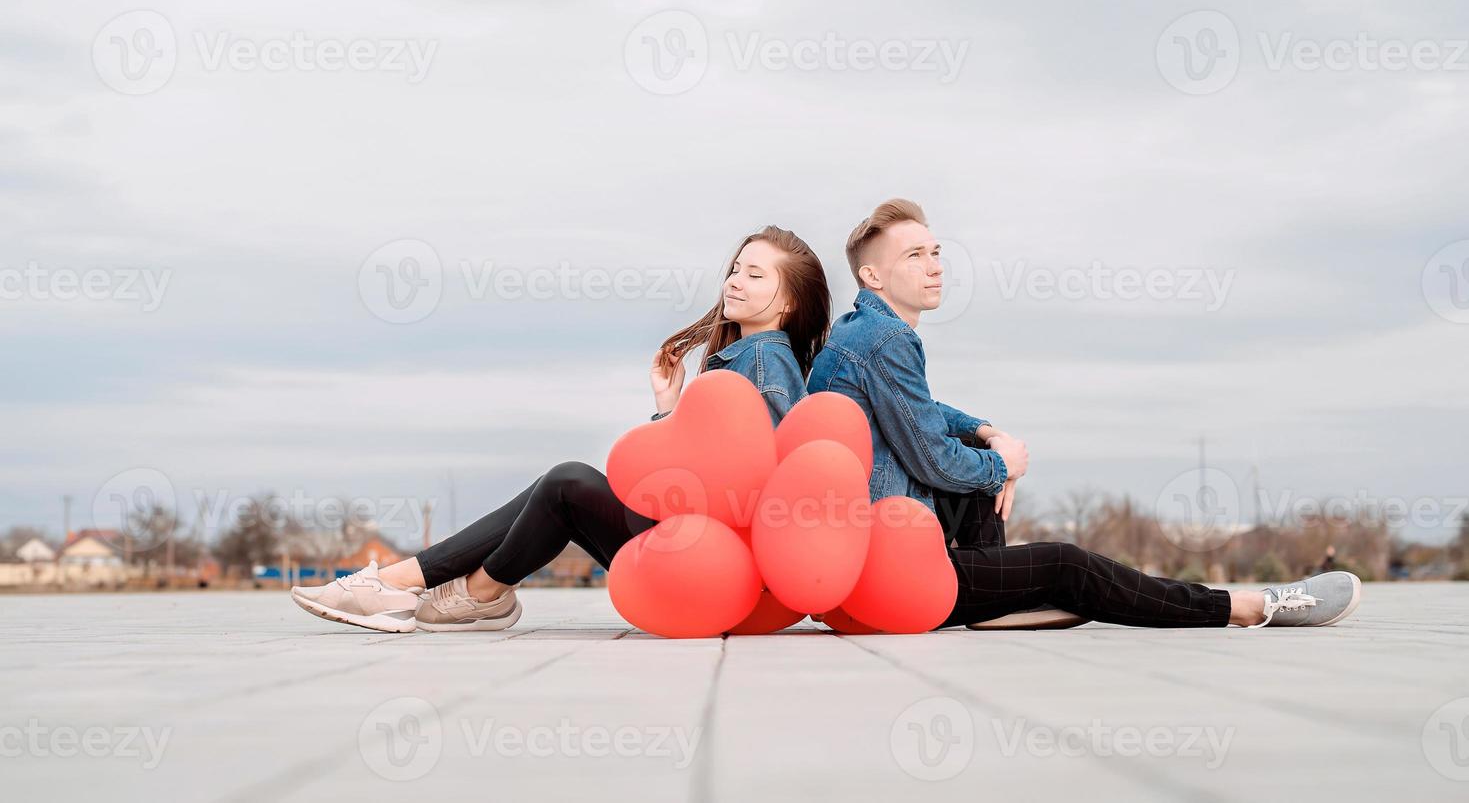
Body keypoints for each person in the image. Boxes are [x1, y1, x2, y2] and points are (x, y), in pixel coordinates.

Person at [808, 199, 1361, 630]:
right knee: (1067, 565)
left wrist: (987, 433)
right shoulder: (884, 338)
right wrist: (1006, 466)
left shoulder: (865, 332)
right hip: (888, 576)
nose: (933, 267)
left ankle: (991, 601)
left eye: (935, 252)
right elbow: (933, 462)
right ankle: (1246, 606)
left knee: (979, 455)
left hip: (877, 559)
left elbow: (922, 413)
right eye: (914, 257)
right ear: (873, 278)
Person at [290, 225, 831, 633]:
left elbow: (758, 480)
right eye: (736, 267)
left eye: (755, 275)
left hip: (715, 572)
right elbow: (707, 461)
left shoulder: (766, 361)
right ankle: (441, 588)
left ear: (786, 303)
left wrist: (671, 425)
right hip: (699, 555)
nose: (735, 280)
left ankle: (427, 587)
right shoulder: (747, 357)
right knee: (564, 487)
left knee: (568, 484)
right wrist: (668, 407)